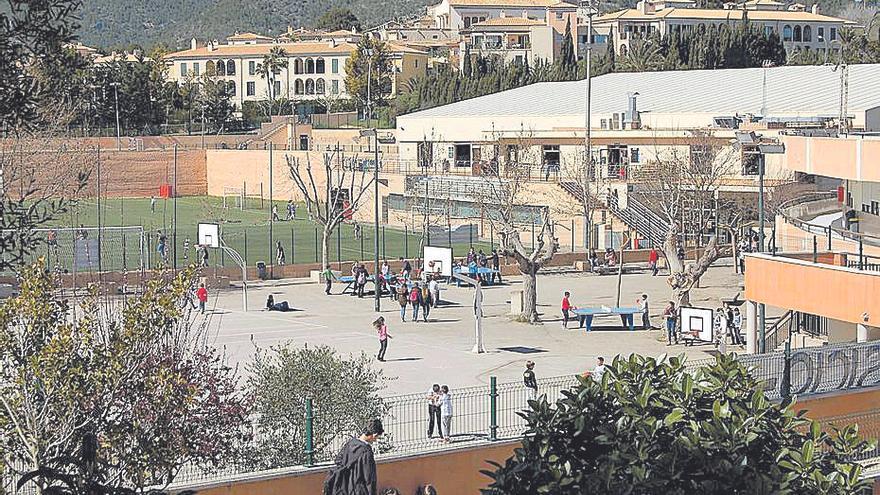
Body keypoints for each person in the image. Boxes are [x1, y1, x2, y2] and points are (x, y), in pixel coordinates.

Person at [322, 418, 383, 495]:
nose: (375, 440)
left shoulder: (350, 443)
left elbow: (338, 460)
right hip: (359, 490)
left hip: (345, 488)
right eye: (377, 437)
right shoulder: (366, 451)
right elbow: (369, 477)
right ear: (374, 435)